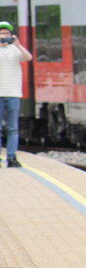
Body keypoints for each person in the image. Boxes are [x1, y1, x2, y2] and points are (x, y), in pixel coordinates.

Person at [0, 21, 32, 168]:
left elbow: (28, 57)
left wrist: (17, 44)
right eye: (1, 34)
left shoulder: (15, 50)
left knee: (13, 128)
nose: (3, 36)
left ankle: (12, 158)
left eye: (6, 34)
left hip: (13, 93)